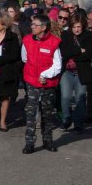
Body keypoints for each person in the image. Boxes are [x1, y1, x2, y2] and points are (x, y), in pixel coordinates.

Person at [21, 14, 62, 154]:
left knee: (47, 113)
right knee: (31, 113)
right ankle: (29, 143)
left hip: (48, 83)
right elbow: (24, 58)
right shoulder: (27, 40)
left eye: (35, 25)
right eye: (32, 24)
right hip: (31, 82)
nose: (32, 27)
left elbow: (58, 65)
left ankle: (48, 141)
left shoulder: (54, 42)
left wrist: (44, 75)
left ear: (44, 27)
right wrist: (34, 75)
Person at [59, 14, 92, 134]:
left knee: (80, 98)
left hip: (81, 71)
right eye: (74, 27)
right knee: (65, 97)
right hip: (67, 71)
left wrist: (73, 54)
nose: (76, 29)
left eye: (78, 27)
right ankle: (66, 120)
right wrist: (79, 50)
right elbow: (64, 52)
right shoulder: (65, 35)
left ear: (83, 26)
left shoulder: (88, 35)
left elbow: (88, 55)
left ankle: (78, 123)